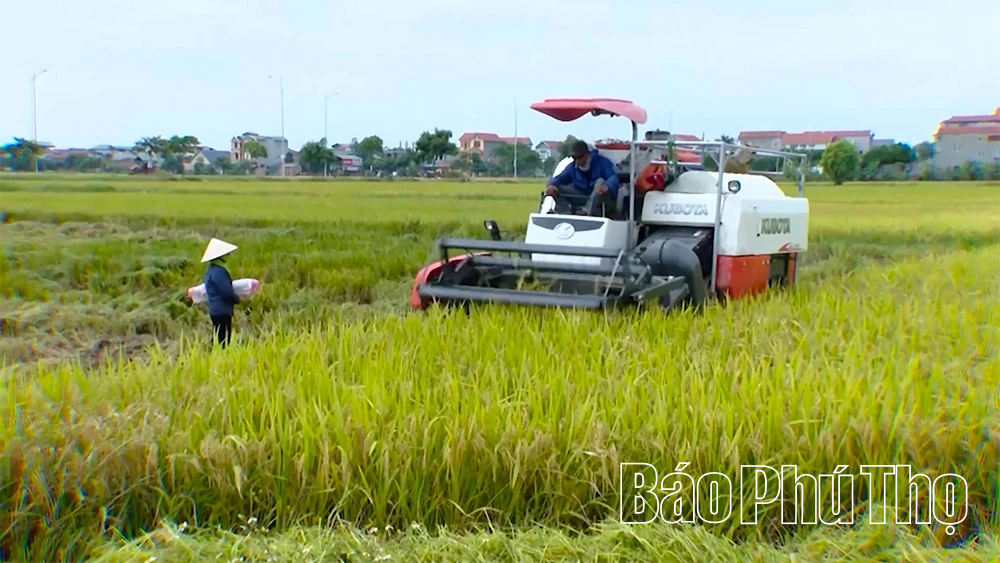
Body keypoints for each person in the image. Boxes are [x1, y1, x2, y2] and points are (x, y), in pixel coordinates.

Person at [544, 140, 621, 216]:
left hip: (603, 202)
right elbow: (558, 179)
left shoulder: (602, 162)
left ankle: (587, 212)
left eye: (580, 157)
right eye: (574, 157)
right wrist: (551, 185)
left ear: (587, 154)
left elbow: (613, 177)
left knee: (600, 182)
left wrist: (607, 186)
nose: (577, 161)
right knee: (556, 187)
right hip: (583, 199)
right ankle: (565, 213)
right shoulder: (572, 168)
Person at [200, 237, 241, 348]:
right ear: (220, 256)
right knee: (223, 340)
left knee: (218, 335)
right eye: (227, 253)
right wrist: (237, 299)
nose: (229, 255)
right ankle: (220, 359)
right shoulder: (220, 272)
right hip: (223, 310)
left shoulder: (210, 271)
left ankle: (213, 357)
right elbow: (226, 292)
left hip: (214, 309)